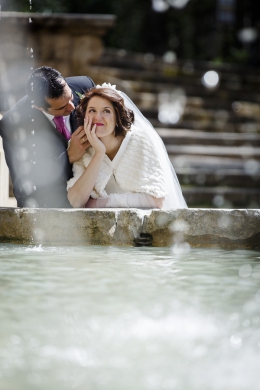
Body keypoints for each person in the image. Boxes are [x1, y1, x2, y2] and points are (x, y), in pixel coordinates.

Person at [67, 83, 187, 209]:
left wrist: (99, 203)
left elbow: (156, 199)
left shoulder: (140, 141)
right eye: (92, 110)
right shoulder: (81, 146)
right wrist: (99, 153)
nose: (98, 117)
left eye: (106, 111)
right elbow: (76, 201)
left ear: (117, 115)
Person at [0, 66, 95, 208]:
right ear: (38, 107)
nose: (72, 107)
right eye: (61, 108)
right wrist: (68, 156)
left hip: (93, 192)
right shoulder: (13, 125)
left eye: (70, 98)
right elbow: (25, 186)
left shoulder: (85, 86)